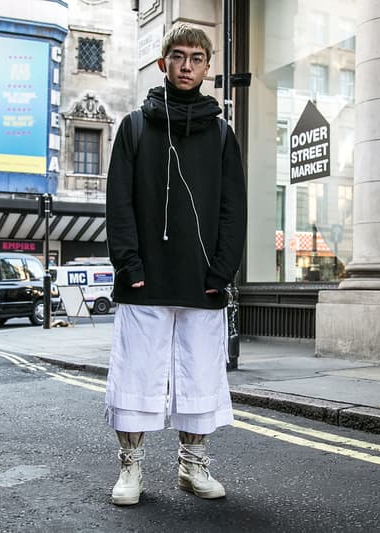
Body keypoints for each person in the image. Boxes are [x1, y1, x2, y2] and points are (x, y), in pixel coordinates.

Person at [104, 24, 247, 506]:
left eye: (197, 58)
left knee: (200, 375)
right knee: (136, 374)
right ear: (163, 63)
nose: (187, 65)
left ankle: (192, 467)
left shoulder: (223, 135)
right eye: (179, 56)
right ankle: (131, 470)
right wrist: (128, 263)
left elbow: (233, 207)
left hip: (202, 280)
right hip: (144, 277)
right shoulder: (134, 127)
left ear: (208, 67)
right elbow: (118, 202)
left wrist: (222, 271)